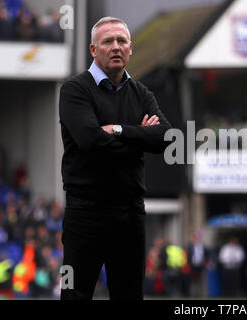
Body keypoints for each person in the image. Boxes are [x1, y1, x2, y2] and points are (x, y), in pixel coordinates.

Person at [58, 16, 171, 300]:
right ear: (94, 50)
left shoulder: (141, 92)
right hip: (85, 214)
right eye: (108, 41)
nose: (116, 46)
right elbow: (90, 141)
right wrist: (140, 138)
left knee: (130, 295)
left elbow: (168, 138)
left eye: (122, 41)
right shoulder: (74, 90)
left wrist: (119, 130)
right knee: (74, 293)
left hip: (130, 214)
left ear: (131, 48)